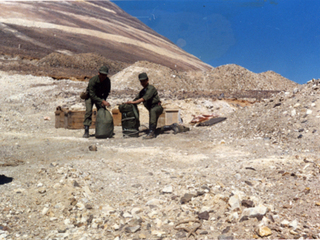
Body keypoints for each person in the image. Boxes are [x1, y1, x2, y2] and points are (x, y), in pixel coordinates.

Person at [126, 72, 163, 139]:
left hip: (157, 107)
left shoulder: (151, 88)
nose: (142, 83)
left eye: (144, 81)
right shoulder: (142, 91)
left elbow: (144, 98)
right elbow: (137, 99)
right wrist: (130, 103)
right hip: (151, 109)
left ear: (147, 80)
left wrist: (133, 102)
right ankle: (171, 127)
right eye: (141, 81)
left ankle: (151, 134)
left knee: (153, 113)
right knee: (155, 128)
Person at [83, 66, 111, 138]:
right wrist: (102, 101)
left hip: (100, 97)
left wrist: (103, 100)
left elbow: (107, 92)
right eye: (102, 74)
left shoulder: (107, 81)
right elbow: (92, 94)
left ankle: (101, 130)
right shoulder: (93, 80)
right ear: (98, 73)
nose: (103, 76)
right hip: (90, 97)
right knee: (88, 112)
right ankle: (86, 130)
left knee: (102, 111)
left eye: (105, 75)